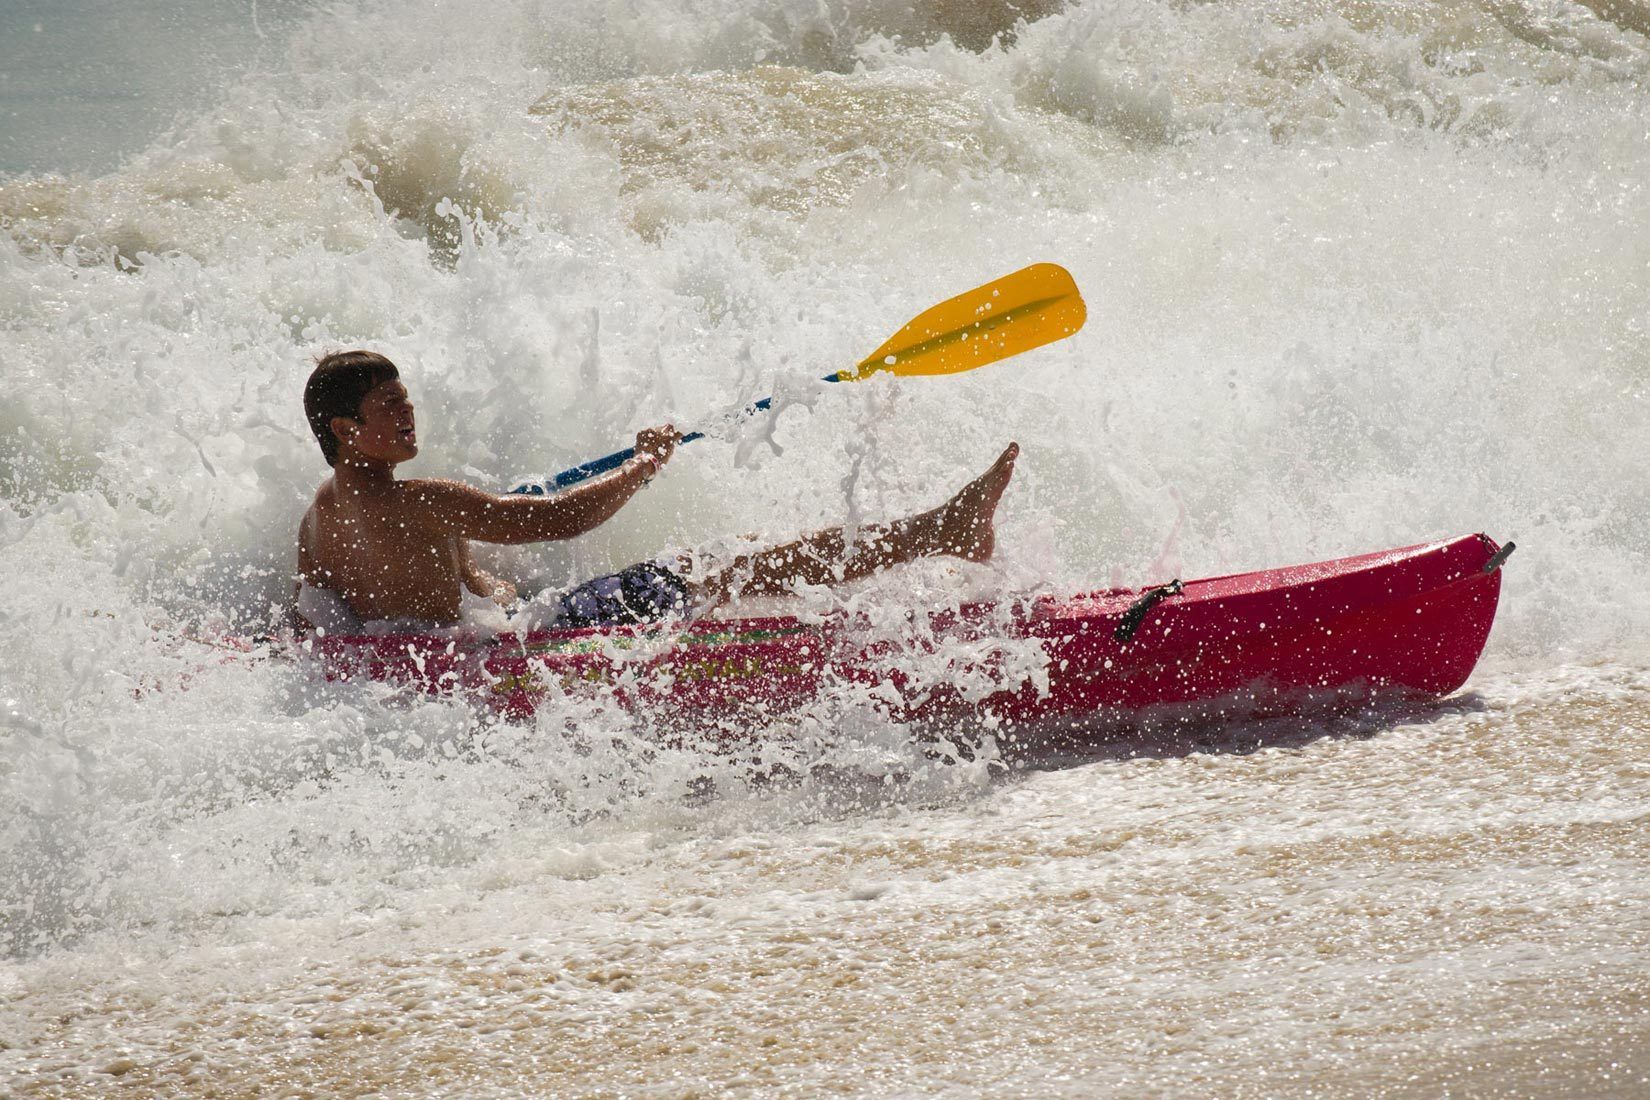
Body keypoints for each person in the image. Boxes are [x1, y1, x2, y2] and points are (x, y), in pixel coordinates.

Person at [291, 350, 1018, 632]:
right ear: (345, 428)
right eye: (389, 406)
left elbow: (317, 609)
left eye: (405, 398)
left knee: (723, 570)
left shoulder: (320, 515)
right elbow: (561, 519)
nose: (407, 413)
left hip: (451, 656)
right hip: (516, 647)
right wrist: (644, 467)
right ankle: (941, 532)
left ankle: (929, 539)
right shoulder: (421, 499)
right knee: (728, 565)